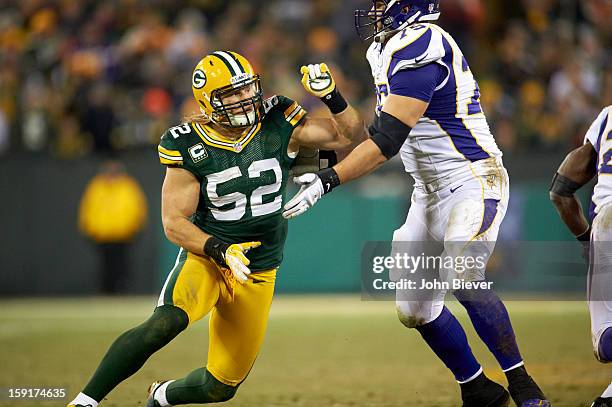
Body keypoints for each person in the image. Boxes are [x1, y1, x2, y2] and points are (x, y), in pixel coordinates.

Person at [283, 1, 549, 406]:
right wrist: (333, 98)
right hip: (426, 191)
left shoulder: (422, 45)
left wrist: (327, 181)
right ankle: (477, 388)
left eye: (381, 4)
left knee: (464, 276)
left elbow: (386, 141)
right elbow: (372, 130)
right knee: (413, 308)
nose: (372, 11)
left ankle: (524, 385)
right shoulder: (385, 49)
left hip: (470, 177)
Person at [67, 51, 364, 407]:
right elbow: (174, 223)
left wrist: (332, 96)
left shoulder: (279, 118)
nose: (245, 99)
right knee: (165, 323)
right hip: (208, 259)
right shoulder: (187, 142)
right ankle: (85, 401)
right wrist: (219, 249)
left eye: (247, 89)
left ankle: (162, 396)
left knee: (220, 387)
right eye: (232, 94)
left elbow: (348, 135)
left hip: (259, 268)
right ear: (208, 100)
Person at [550, 106, 612, 407]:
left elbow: (560, 192)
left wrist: (589, 244)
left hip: (607, 223)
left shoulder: (607, 117)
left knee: (606, 339)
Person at [78, 159, 148, 294]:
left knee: (122, 267)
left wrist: (134, 228)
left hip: (123, 236)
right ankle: (105, 292)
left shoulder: (128, 186)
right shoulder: (96, 186)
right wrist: (89, 229)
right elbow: (88, 209)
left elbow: (137, 209)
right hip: (102, 236)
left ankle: (121, 293)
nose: (111, 173)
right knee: (105, 267)